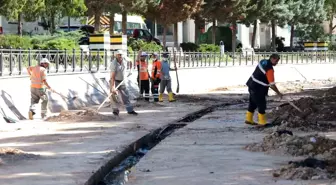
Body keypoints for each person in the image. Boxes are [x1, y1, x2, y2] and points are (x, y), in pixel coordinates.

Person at [245, 54, 283, 125]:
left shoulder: (263, 61)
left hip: (251, 84)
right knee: (261, 105)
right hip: (258, 88)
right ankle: (262, 122)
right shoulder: (270, 69)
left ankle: (249, 119)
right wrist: (278, 93)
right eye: (276, 61)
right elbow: (272, 84)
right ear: (272, 59)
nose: (277, 63)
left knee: (253, 102)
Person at [110, 50, 138, 116]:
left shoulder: (124, 59)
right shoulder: (113, 64)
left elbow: (131, 61)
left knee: (126, 96)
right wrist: (113, 87)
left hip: (122, 81)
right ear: (116, 56)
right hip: (115, 81)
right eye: (118, 55)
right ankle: (115, 111)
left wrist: (131, 70)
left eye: (121, 55)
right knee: (114, 96)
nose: (120, 56)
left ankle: (130, 110)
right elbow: (112, 76)